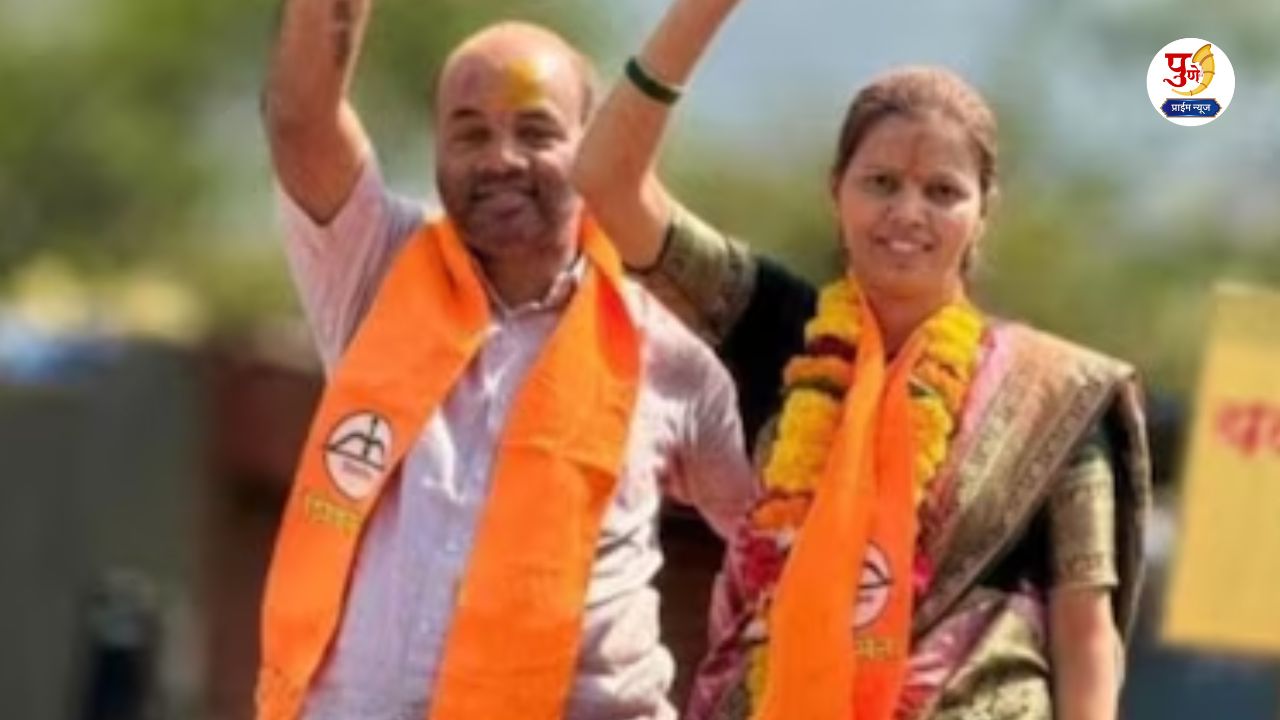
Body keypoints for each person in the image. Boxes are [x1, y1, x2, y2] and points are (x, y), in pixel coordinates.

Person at [571, 1, 1152, 718]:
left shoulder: (1054, 393)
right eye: (881, 183)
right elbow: (606, 181)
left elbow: (1085, 634)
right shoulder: (779, 328)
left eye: (943, 191)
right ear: (835, 191)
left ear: (983, 211)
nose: (908, 212)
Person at [255, 1, 758, 718]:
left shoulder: (669, 346)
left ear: (594, 147)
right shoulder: (374, 265)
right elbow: (302, 120)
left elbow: (774, 543)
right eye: (470, 134)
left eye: (535, 132)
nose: (499, 160)